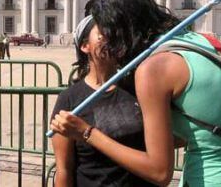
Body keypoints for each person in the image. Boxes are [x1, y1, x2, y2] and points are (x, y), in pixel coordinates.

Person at [51, 0, 221, 186]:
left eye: (109, 35)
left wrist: (87, 133)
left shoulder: (153, 69)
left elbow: (160, 173)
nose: (110, 45)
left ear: (122, 29)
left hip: (209, 178)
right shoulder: (197, 42)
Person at [51, 15, 156, 187]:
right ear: (85, 46)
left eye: (115, 33)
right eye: (103, 33)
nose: (112, 38)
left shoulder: (140, 88)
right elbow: (64, 169)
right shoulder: (69, 99)